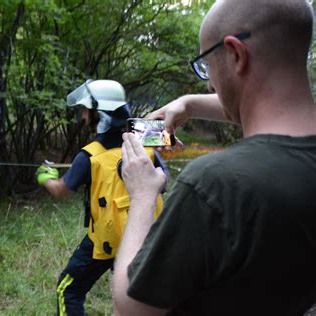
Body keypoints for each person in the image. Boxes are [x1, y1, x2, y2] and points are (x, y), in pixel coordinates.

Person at [113, 0, 316, 315]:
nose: (208, 82)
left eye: (207, 65)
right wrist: (190, 104)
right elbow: (271, 105)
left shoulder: (217, 185)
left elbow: (131, 307)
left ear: (236, 54)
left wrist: (142, 195)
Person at [36, 79, 165, 316]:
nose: (84, 116)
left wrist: (45, 177)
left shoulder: (89, 156)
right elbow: (163, 170)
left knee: (68, 290)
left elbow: (60, 191)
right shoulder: (146, 142)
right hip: (144, 238)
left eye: (87, 111)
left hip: (104, 241)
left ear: (100, 114)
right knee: (129, 300)